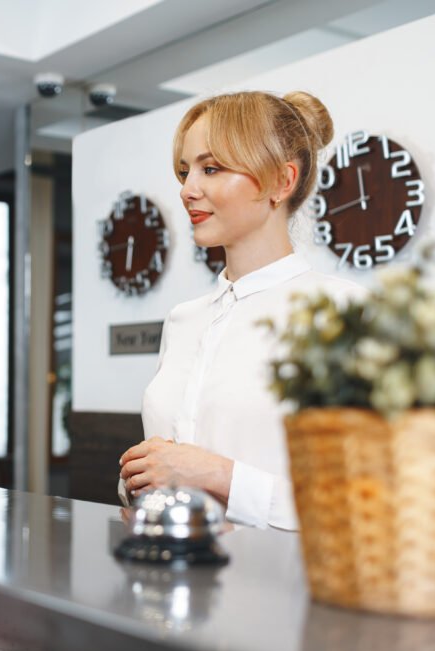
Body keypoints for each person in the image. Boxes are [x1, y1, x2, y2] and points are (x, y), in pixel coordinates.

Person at [118, 90, 365, 530]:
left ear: (281, 182)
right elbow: (164, 468)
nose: (187, 189)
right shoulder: (183, 320)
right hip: (168, 578)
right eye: (185, 171)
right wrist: (140, 479)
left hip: (280, 592)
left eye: (211, 169)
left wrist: (215, 474)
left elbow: (360, 503)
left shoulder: (342, 313)